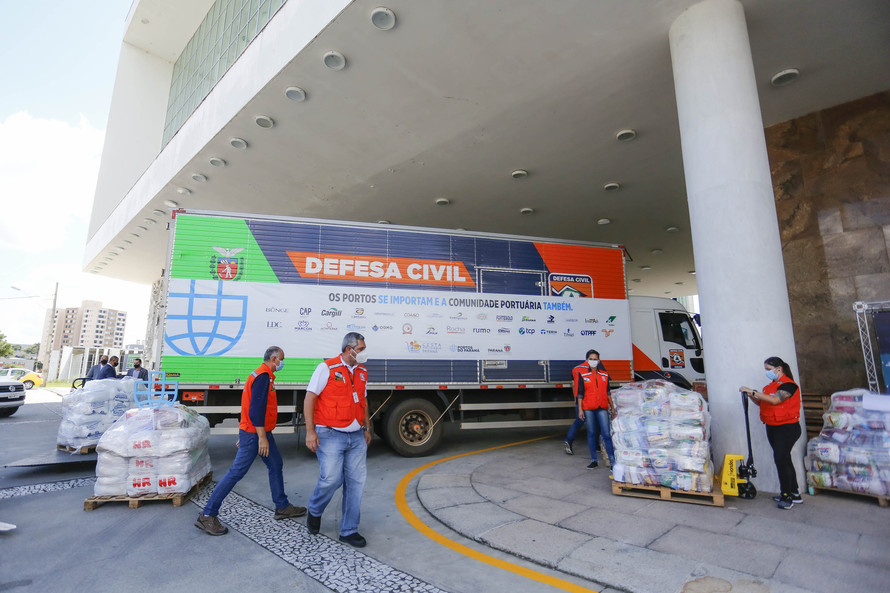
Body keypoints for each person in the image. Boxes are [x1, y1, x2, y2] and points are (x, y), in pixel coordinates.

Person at [195, 346, 306, 535]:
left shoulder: (263, 375)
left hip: (258, 433)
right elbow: (255, 410)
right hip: (256, 434)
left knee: (275, 464)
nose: (282, 363)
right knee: (236, 472)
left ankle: (282, 506)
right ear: (274, 359)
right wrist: (259, 437)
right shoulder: (262, 376)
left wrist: (254, 434)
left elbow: (250, 408)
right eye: (282, 360)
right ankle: (208, 514)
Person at [304, 332, 371, 548]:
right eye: (360, 349)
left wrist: (367, 427)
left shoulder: (362, 371)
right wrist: (310, 431)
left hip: (357, 435)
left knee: (356, 484)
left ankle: (349, 530)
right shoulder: (327, 368)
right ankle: (315, 510)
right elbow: (310, 398)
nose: (362, 353)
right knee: (331, 479)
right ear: (348, 348)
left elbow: (364, 400)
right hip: (330, 434)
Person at [740, 356, 803, 510]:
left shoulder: (789, 385)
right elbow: (763, 401)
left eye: (769, 369)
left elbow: (775, 400)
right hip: (772, 426)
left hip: (787, 428)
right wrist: (751, 395)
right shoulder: (770, 386)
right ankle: (794, 492)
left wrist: (753, 391)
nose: (767, 372)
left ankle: (786, 496)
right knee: (784, 459)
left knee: (781, 459)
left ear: (778, 369)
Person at [577, 349, 615, 469]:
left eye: (595, 359)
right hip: (588, 408)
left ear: (599, 360)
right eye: (591, 359)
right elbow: (580, 394)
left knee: (606, 434)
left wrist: (612, 408)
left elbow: (608, 392)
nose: (593, 361)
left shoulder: (604, 374)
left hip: (602, 407)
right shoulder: (583, 375)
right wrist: (580, 410)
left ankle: (613, 462)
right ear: (587, 360)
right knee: (591, 433)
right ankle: (594, 460)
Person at [563, 356, 593, 454]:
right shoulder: (592, 369)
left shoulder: (575, 369)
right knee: (593, 422)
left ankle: (569, 440)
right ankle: (595, 445)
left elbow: (573, 384)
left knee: (579, 420)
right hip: (589, 399)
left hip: (578, 398)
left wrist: (575, 398)